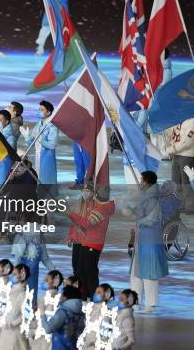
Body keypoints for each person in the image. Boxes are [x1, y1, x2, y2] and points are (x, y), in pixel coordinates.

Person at [120, 171, 168, 313]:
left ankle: (150, 304)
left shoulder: (154, 199)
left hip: (151, 240)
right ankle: (135, 301)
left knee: (149, 273)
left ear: (146, 182)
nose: (140, 183)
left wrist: (137, 220)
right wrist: (126, 207)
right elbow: (136, 213)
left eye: (142, 180)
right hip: (141, 240)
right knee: (136, 273)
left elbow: (151, 219)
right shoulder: (146, 198)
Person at [68, 183, 115, 300]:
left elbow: (88, 223)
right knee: (79, 268)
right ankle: (84, 294)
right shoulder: (81, 204)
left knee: (89, 270)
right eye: (83, 190)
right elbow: (75, 223)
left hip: (90, 241)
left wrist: (71, 214)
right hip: (81, 240)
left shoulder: (99, 207)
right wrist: (71, 235)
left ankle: (93, 295)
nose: (85, 193)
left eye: (88, 190)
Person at [12, 210, 55, 306]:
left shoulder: (20, 236)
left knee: (19, 300)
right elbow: (45, 259)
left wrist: (15, 274)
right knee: (32, 299)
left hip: (21, 276)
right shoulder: (40, 238)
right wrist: (54, 271)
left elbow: (17, 258)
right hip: (33, 275)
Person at [21, 100, 58, 188]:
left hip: (47, 157)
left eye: (42, 110)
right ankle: (39, 195)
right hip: (38, 155)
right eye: (39, 109)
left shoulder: (52, 126)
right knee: (38, 175)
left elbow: (52, 145)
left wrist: (41, 140)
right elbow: (31, 143)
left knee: (46, 177)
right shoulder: (38, 125)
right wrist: (26, 136)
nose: (39, 112)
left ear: (48, 112)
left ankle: (48, 196)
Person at [0, 263, 31, 350]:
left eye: (15, 274)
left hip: (15, 331)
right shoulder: (11, 290)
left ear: (22, 276)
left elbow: (27, 314)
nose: (12, 276)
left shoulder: (23, 294)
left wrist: (14, 323)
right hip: (6, 329)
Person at [40, 285, 85, 350]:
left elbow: (48, 329)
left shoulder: (63, 312)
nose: (60, 297)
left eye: (62, 295)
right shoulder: (81, 313)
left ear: (65, 297)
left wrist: (42, 313)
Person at [31, 270, 64, 350]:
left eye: (46, 280)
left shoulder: (60, 300)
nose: (44, 281)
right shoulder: (42, 298)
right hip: (40, 337)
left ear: (55, 282)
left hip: (50, 339)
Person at [166, 118, 194, 212]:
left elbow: (187, 142)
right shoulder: (178, 120)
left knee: (186, 182)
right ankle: (180, 204)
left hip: (188, 155)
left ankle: (190, 206)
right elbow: (173, 136)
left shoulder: (192, 121)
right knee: (176, 181)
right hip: (176, 155)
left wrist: (172, 149)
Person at [81, 284, 114, 349]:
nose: (95, 294)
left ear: (107, 295)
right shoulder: (90, 309)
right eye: (95, 292)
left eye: (99, 292)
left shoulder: (106, 313)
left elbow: (104, 336)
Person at [0, 110, 18, 187]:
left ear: (7, 121)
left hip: (5, 164)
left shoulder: (11, 137)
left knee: (2, 186)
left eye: (0, 120)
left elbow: (8, 152)